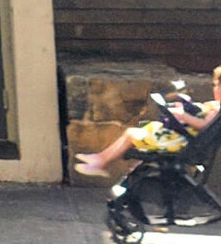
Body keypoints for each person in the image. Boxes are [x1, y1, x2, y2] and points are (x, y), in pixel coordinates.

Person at [76, 68, 221, 179]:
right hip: (182, 138)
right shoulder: (215, 106)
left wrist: (182, 115)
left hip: (181, 143)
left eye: (217, 86)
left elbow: (203, 125)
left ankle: (101, 163)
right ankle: (101, 159)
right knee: (134, 132)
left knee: (131, 134)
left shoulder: (217, 110)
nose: (214, 89)